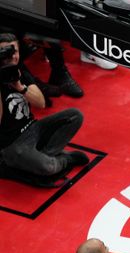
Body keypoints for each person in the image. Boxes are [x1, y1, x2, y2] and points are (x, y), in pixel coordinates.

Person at [0, 33, 89, 187]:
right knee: (48, 167)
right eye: (5, 53)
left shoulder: (19, 71)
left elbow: (41, 103)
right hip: (11, 144)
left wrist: (20, 87)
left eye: (14, 51)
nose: (12, 57)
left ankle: (42, 157)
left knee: (75, 115)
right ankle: (64, 160)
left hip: (33, 128)